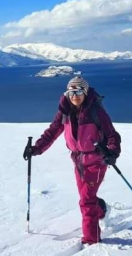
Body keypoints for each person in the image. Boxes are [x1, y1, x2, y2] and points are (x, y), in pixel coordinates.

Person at [23, 76, 121, 245]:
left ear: (85, 92)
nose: (75, 95)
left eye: (79, 91)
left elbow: (112, 135)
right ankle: (101, 209)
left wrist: (112, 152)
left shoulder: (96, 112)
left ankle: (92, 239)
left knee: (86, 200)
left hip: (97, 160)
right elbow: (52, 132)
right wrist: (36, 148)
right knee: (86, 196)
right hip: (77, 161)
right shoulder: (65, 112)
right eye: (71, 92)